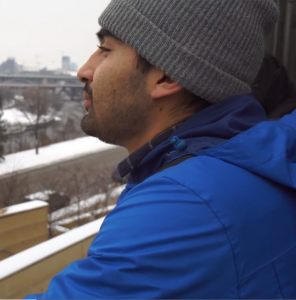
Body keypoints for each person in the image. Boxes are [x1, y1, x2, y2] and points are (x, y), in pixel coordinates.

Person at [26, 0, 296, 298]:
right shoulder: (243, 163)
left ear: (167, 76)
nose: (84, 70)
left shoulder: (184, 205)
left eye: (105, 50)